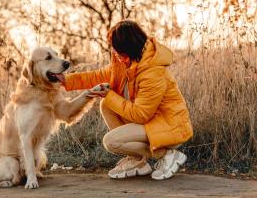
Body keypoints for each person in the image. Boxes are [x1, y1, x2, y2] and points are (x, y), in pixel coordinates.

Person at [61, 20, 193, 180]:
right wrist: (64, 80)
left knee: (111, 141)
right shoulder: (125, 62)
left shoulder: (151, 71)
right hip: (151, 123)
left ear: (128, 48)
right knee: (106, 106)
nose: (113, 52)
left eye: (116, 49)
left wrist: (110, 96)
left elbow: (141, 115)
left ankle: (167, 154)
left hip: (169, 126)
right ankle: (137, 160)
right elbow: (97, 76)